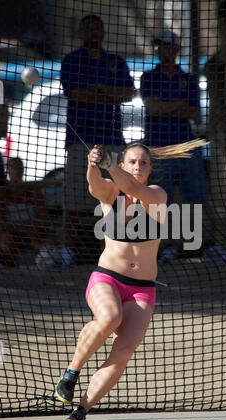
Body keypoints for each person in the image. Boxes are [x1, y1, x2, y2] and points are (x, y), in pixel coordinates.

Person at [55, 138, 205, 420]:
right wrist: (93, 165)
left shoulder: (156, 195)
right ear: (123, 165)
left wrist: (109, 164)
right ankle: (70, 374)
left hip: (142, 287)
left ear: (150, 169)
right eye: (132, 162)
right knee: (110, 317)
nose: (138, 167)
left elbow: (134, 189)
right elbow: (94, 186)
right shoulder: (111, 193)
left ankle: (81, 410)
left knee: (122, 352)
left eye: (143, 163)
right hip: (107, 278)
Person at [60, 14, 135, 264]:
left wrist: (100, 90)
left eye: (97, 29)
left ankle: (120, 251)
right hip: (81, 140)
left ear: (103, 32)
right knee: (74, 201)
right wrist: (107, 94)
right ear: (81, 33)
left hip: (112, 139)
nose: (93, 33)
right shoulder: (72, 61)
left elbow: (127, 93)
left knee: (119, 198)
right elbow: (77, 95)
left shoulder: (116, 62)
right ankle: (66, 251)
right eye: (88, 29)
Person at [139, 30, 208, 261]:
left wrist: (165, 105)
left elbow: (195, 113)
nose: (163, 51)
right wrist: (177, 105)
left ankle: (194, 246)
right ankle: (162, 247)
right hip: (158, 149)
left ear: (177, 49)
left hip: (187, 147)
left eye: (168, 46)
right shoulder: (149, 77)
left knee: (195, 198)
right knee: (159, 200)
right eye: (159, 46)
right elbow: (151, 108)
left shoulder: (188, 79)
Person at [0, 157, 59, 267]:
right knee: (6, 242)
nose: (17, 170)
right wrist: (18, 229)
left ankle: (49, 265)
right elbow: (1, 219)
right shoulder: (3, 193)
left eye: (19, 167)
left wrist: (35, 229)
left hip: (33, 230)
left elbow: (44, 217)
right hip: (12, 231)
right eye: (13, 167)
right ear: (8, 170)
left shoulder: (33, 191)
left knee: (52, 241)